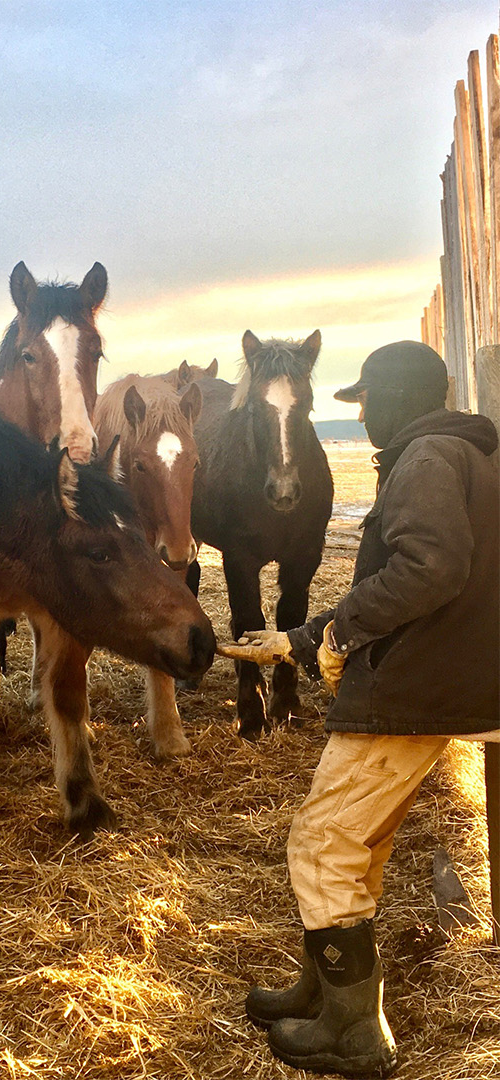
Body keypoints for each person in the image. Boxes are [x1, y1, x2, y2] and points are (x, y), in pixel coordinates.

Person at [218, 340, 500, 1077]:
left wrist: (338, 631)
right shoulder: (453, 452)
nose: (363, 413)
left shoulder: (427, 461)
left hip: (416, 688)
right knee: (357, 845)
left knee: (320, 843)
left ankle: (354, 1032)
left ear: (398, 395)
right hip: (441, 677)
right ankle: (325, 989)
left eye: (367, 398)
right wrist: (304, 639)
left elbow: (428, 567)